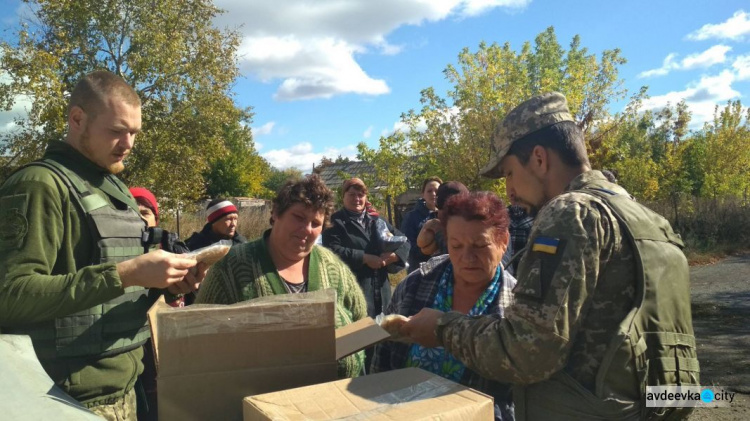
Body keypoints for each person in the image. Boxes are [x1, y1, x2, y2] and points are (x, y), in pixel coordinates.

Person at [402, 92, 699, 420]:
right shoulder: (647, 218)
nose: (510, 191)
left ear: (539, 159)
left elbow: (527, 351)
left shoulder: (570, 211)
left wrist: (444, 327)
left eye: (510, 173)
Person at [0, 71, 206, 420]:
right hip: (63, 399)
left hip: (126, 385)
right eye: (116, 131)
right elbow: (10, 295)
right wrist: (126, 274)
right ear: (77, 119)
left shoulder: (113, 188)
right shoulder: (40, 186)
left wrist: (169, 283)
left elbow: (123, 280)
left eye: (134, 133)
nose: (128, 144)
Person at [195, 174, 369, 378]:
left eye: (315, 223)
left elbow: (361, 324)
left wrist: (341, 356)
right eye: (299, 217)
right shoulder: (232, 267)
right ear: (276, 213)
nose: (306, 229)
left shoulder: (333, 267)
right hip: (257, 406)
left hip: (332, 401)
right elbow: (201, 337)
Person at [372, 191, 516, 421]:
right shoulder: (415, 286)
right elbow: (383, 360)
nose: (467, 258)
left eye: (480, 245)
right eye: (456, 246)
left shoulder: (517, 308)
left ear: (503, 241)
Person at [416, 181, 470, 258]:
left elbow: (456, 258)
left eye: (444, 210)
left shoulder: (474, 228)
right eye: (438, 208)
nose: (438, 214)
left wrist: (439, 233)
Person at [400, 176, 442, 271]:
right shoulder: (411, 217)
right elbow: (406, 245)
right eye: (429, 191)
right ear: (423, 194)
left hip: (444, 270)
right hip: (420, 271)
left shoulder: (448, 216)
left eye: (437, 191)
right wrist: (427, 250)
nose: (433, 194)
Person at [500, 204, 534, 276]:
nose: (512, 194)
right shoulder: (501, 216)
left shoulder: (543, 216)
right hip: (505, 278)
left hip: (529, 278)